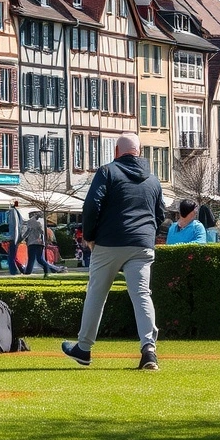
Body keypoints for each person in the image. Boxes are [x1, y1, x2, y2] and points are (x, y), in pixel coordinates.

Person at [63, 133, 165, 371]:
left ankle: (84, 348)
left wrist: (89, 236)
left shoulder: (107, 171)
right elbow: (159, 213)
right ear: (139, 151)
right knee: (141, 295)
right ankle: (149, 350)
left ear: (117, 152)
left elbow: (92, 205)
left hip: (109, 242)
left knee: (96, 294)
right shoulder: (153, 179)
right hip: (141, 244)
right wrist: (146, 233)